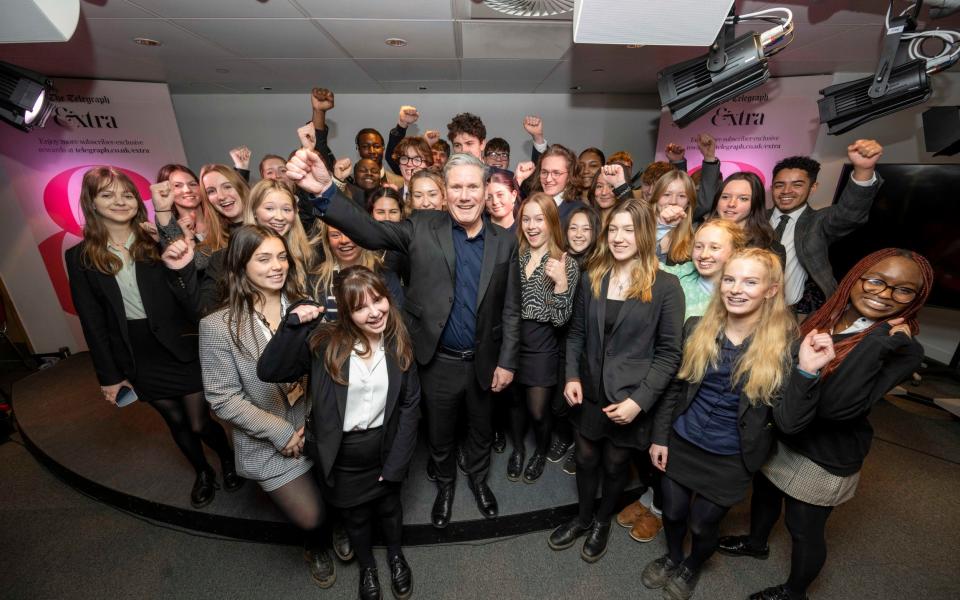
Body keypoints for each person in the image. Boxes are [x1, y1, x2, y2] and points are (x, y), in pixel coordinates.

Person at [287, 150, 520, 528]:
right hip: (437, 361)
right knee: (440, 435)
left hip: (483, 361)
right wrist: (326, 191)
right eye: (456, 186)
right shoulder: (422, 227)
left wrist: (507, 360)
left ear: (485, 190)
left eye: (472, 186)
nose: (464, 195)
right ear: (444, 192)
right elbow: (370, 231)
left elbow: (511, 307)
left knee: (480, 431)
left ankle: (478, 481)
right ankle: (445, 486)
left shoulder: (504, 241)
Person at [719, 248, 932, 600]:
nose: (884, 295)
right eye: (876, 281)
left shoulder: (901, 348)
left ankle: (795, 591)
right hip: (784, 431)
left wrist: (878, 343)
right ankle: (756, 543)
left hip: (823, 454)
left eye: (903, 290)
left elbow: (839, 407)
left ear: (916, 298)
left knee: (803, 529)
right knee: (766, 496)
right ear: (857, 276)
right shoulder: (832, 314)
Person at [640, 248, 825, 600]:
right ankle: (674, 556)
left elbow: (789, 422)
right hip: (682, 441)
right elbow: (674, 389)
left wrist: (806, 373)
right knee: (674, 511)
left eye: (750, 281)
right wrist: (659, 437)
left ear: (771, 290)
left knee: (702, 523)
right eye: (729, 279)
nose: (736, 289)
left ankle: (692, 566)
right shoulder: (696, 327)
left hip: (732, 455)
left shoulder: (786, 346)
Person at [66, 167, 237, 509]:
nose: (120, 201)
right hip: (136, 351)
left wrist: (175, 246)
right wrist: (110, 376)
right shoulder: (80, 256)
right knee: (175, 421)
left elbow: (189, 289)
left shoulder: (157, 239)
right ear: (92, 203)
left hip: (181, 343)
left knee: (199, 420)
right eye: (107, 194)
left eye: (127, 194)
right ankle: (202, 472)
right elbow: (93, 321)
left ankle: (230, 461)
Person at [258, 266, 420, 600]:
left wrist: (396, 464)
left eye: (378, 300)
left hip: (385, 448)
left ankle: (395, 557)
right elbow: (269, 370)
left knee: (390, 509)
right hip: (343, 455)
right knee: (356, 518)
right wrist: (291, 326)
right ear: (346, 313)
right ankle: (368, 568)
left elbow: (409, 406)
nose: (374, 312)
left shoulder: (399, 340)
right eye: (361, 307)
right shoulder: (325, 344)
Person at [198, 225, 336, 588]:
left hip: (316, 426)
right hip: (268, 440)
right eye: (263, 259)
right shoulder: (218, 326)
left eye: (281, 257)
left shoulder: (306, 307)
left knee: (341, 496)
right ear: (241, 265)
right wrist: (281, 432)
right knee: (312, 517)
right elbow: (222, 398)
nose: (277, 266)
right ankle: (316, 543)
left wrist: (317, 422)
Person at [549, 200, 684, 563]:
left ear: (644, 234)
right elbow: (576, 333)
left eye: (628, 230)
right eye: (613, 230)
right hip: (589, 389)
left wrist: (639, 401)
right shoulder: (595, 275)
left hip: (630, 397)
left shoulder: (666, 286)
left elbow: (670, 354)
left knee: (614, 465)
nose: (619, 237)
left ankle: (602, 522)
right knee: (587, 457)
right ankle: (582, 518)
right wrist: (572, 376)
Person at [508, 193, 580, 483]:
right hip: (512, 340)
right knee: (512, 404)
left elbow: (562, 321)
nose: (532, 226)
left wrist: (561, 283)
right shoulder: (515, 254)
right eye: (526, 219)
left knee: (538, 411)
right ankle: (517, 450)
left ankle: (539, 450)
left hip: (543, 344)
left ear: (552, 222)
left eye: (539, 219)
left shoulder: (565, 262)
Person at [768, 139, 883, 315]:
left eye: (797, 185)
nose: (786, 191)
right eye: (779, 185)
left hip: (794, 314)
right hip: (746, 307)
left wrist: (863, 170)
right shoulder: (755, 218)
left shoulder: (818, 221)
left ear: (813, 188)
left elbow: (849, 214)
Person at [309, 221, 404, 321]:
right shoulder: (315, 280)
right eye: (335, 235)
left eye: (350, 232)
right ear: (327, 240)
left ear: (362, 235)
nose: (344, 240)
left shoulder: (385, 277)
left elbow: (396, 323)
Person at [662, 220, 748, 321]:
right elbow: (646, 268)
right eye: (698, 247)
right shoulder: (682, 274)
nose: (704, 255)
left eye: (714, 248)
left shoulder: (744, 293)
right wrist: (661, 227)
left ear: (735, 252)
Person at [151, 164, 227, 263]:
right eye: (177, 185)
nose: (187, 190)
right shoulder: (170, 228)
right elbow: (198, 264)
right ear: (165, 192)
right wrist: (189, 238)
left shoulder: (220, 215)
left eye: (193, 184)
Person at [710, 172, 786, 265]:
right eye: (725, 197)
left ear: (755, 203)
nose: (731, 204)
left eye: (743, 198)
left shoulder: (772, 250)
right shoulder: (700, 238)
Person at [516, 144, 585, 221]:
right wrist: (519, 179)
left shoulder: (579, 211)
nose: (548, 179)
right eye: (544, 172)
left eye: (556, 173)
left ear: (569, 176)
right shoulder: (530, 203)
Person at [200, 163, 250, 228]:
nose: (221, 197)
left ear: (241, 187)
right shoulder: (216, 236)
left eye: (227, 187)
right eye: (211, 191)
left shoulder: (265, 224)